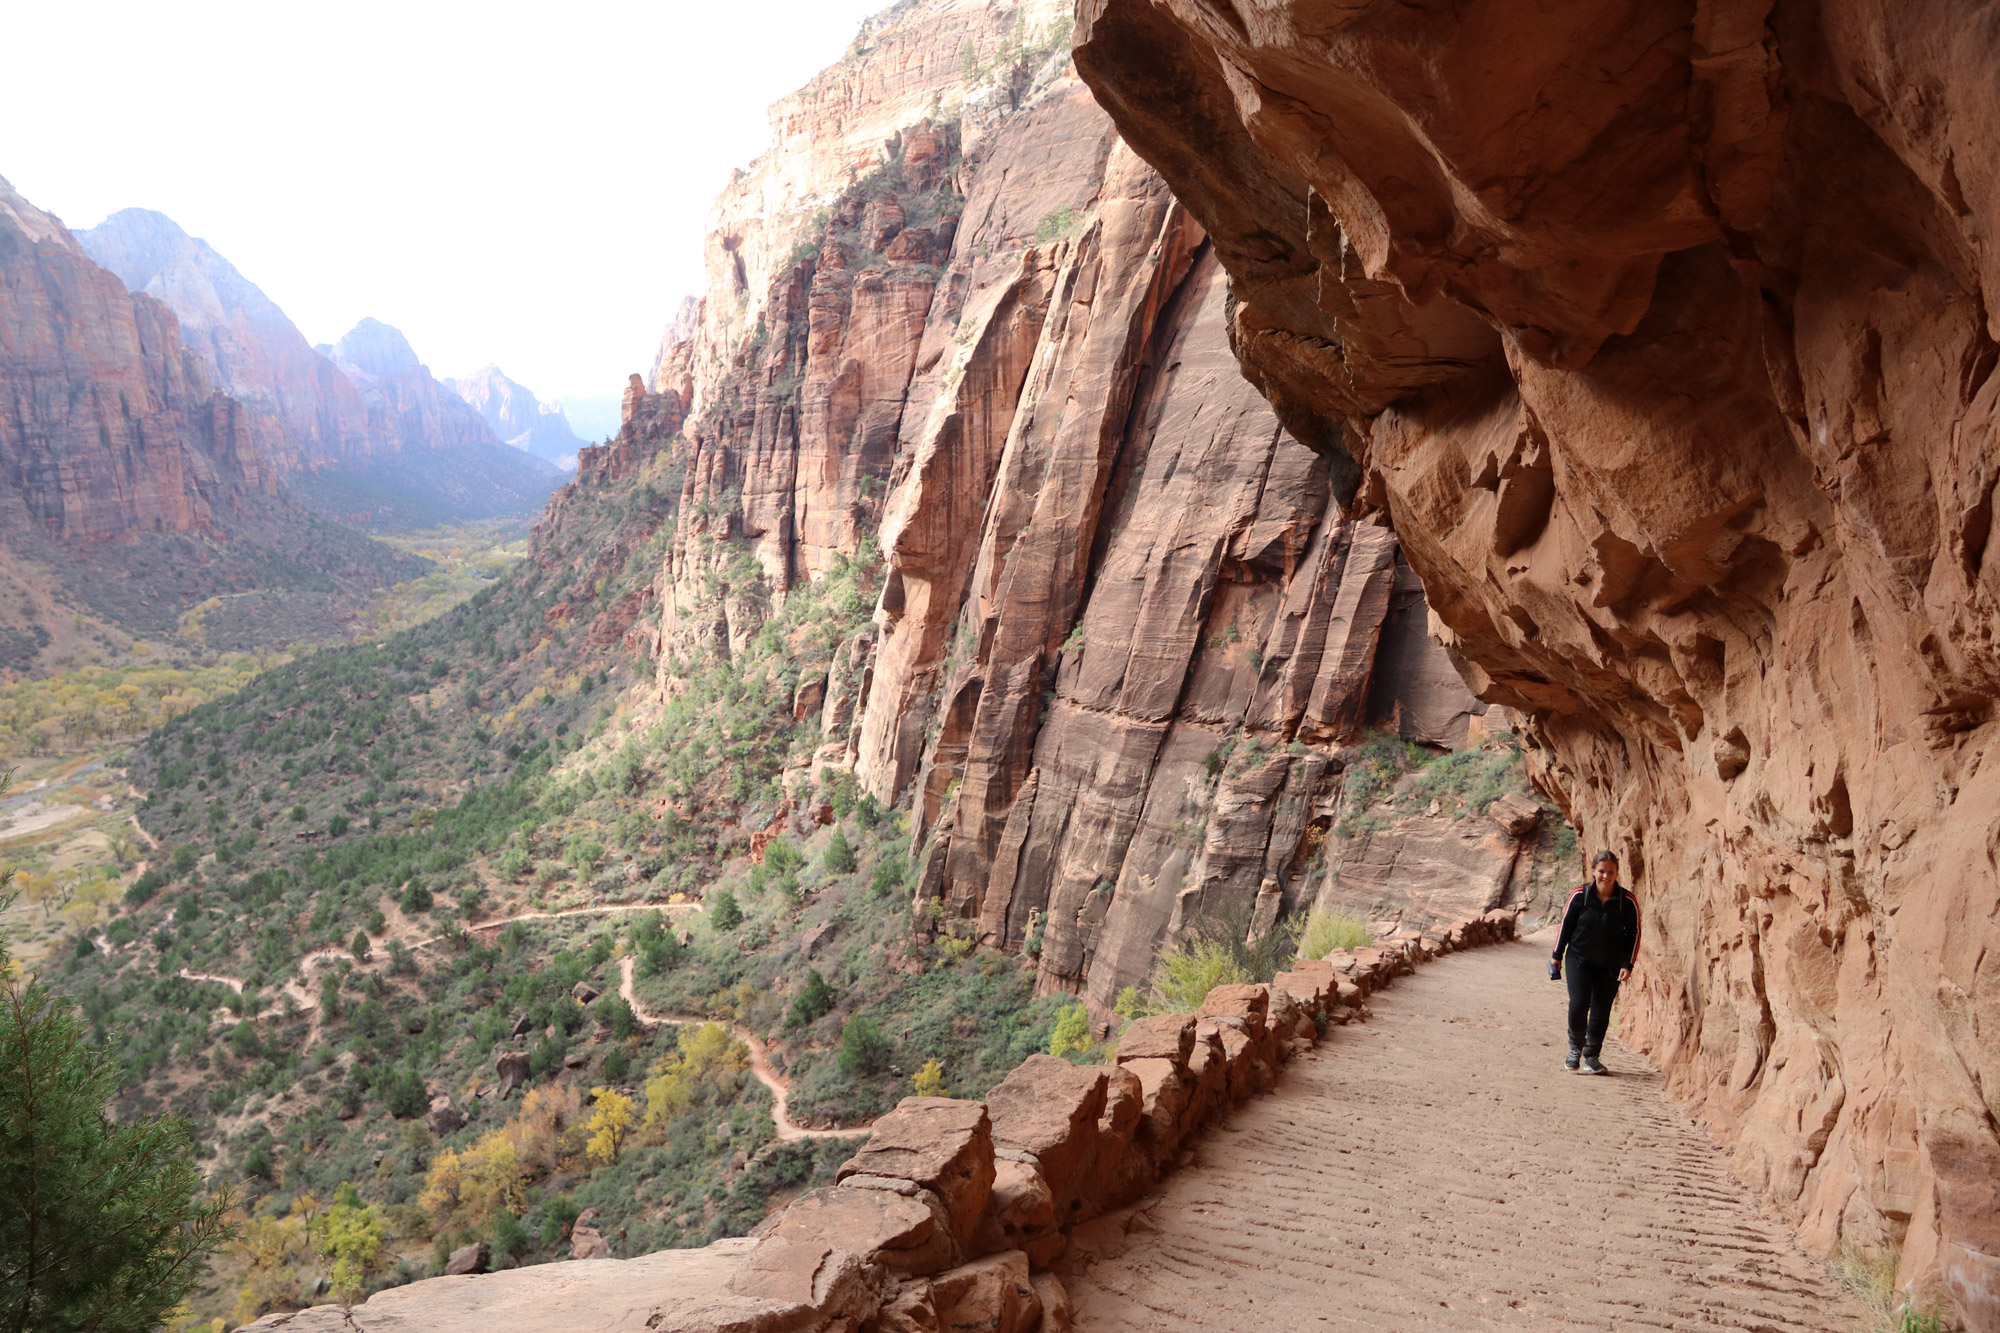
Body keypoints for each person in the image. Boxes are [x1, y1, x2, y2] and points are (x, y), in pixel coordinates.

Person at [1549, 850, 1642, 1074]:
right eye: (1601, 871)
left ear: (1617, 873)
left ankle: (1592, 1056)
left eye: (1611, 872)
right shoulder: (1580, 895)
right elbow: (1566, 926)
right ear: (1593, 871)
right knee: (1578, 1004)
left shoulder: (1626, 900)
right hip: (1579, 959)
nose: (1606, 876)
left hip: (1610, 965)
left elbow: (1634, 934)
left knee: (1601, 1009)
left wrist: (1627, 964)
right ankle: (1575, 1049)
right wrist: (1556, 955)